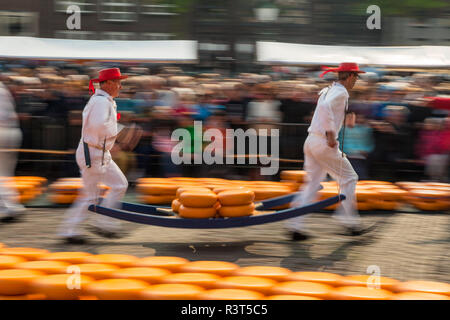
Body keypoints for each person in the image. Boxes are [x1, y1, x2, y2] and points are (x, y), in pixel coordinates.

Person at [286, 62, 375, 241]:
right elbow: (326, 108)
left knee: (312, 184)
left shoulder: (328, 89)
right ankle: (348, 222)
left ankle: (295, 225)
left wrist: (334, 129)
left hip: (311, 140)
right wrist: (331, 135)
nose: (356, 80)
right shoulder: (341, 92)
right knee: (350, 178)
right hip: (323, 143)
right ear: (350, 76)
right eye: (356, 76)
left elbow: (324, 109)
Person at [58, 68, 129, 244]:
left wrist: (115, 139)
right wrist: (121, 133)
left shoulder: (104, 100)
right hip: (93, 153)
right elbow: (99, 126)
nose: (120, 86)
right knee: (90, 196)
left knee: (120, 185)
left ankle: (104, 223)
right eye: (118, 82)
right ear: (109, 83)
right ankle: (69, 231)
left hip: (99, 152)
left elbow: (100, 127)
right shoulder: (101, 102)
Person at [0, 81, 26, 221]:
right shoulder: (2, 87)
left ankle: (8, 207)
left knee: (3, 174)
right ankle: (10, 205)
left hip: (3, 133)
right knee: (5, 174)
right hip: (11, 132)